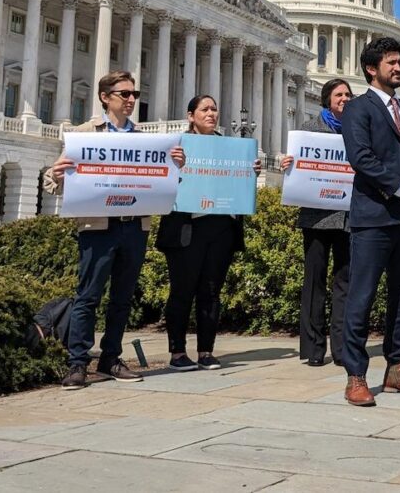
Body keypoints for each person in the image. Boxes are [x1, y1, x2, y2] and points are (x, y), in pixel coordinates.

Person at [45, 71, 185, 390]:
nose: (132, 99)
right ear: (106, 97)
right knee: (88, 297)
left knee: (122, 299)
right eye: (124, 94)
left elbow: (163, 185)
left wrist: (177, 166)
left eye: (133, 94)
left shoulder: (147, 140)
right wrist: (57, 174)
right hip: (98, 228)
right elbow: (53, 183)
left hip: (135, 226)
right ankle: (78, 364)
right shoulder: (84, 134)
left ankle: (110, 358)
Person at [340, 37, 400, 406]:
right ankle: (356, 375)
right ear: (372, 68)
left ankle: (397, 368)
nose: (398, 68)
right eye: (391, 63)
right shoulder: (358, 109)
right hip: (374, 216)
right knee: (361, 297)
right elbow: (362, 159)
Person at [155, 94, 260, 372]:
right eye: (205, 109)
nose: (211, 114)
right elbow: (161, 183)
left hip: (222, 227)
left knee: (211, 291)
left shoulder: (230, 147)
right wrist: (172, 164)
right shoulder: (177, 146)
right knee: (182, 291)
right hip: (187, 228)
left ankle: (206, 351)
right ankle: (177, 352)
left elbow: (238, 181)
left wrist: (250, 170)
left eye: (215, 109)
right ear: (191, 115)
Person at [280, 78, 353, 367]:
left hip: (347, 216)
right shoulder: (308, 130)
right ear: (327, 99)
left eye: (348, 94)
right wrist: (289, 166)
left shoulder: (357, 130)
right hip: (316, 217)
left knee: (344, 284)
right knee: (314, 284)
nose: (345, 98)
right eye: (339, 94)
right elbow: (300, 166)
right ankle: (313, 348)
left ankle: (341, 347)